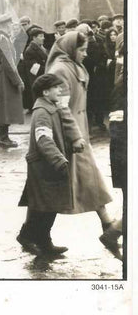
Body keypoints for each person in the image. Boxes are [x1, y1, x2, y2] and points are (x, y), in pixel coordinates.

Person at [46, 31, 115, 237]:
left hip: (77, 132)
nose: (85, 54)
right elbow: (62, 108)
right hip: (67, 134)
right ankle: (34, 233)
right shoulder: (60, 70)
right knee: (56, 184)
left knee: (80, 179)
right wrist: (75, 135)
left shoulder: (74, 65)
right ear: (70, 49)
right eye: (82, 49)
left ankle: (107, 224)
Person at [17, 74, 84, 254]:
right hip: (44, 167)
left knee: (49, 206)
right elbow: (44, 139)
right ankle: (26, 236)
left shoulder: (50, 108)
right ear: (45, 92)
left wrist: (70, 146)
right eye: (56, 87)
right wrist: (58, 159)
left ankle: (44, 240)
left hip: (49, 166)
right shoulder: (42, 112)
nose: (60, 90)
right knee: (42, 207)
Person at [99, 33, 125, 261]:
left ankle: (116, 233)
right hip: (125, 153)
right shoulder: (123, 86)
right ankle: (114, 233)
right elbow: (118, 127)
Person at [0, 13, 24, 148]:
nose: (12, 26)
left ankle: (4, 137)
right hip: (5, 76)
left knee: (2, 107)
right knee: (4, 108)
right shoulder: (3, 39)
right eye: (10, 24)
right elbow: (9, 63)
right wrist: (18, 81)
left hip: (0, 75)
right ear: (6, 25)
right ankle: (4, 139)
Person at [22, 28, 48, 112]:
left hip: (43, 78)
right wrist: (49, 68)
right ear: (34, 38)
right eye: (41, 36)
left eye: (43, 36)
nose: (43, 38)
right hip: (37, 80)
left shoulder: (41, 48)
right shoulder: (30, 50)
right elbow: (35, 69)